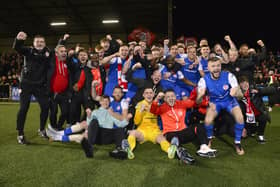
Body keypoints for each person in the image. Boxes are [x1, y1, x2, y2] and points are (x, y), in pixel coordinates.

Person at [150, 89, 217, 163]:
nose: (171, 98)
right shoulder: (162, 108)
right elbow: (153, 110)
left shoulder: (182, 104)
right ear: (165, 99)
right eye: (168, 97)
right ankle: (182, 153)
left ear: (175, 97)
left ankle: (204, 148)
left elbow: (195, 104)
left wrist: (208, 102)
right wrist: (156, 99)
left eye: (172, 96)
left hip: (183, 132)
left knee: (199, 126)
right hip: (170, 133)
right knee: (174, 138)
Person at [196, 57, 245, 155]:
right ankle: (209, 138)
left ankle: (237, 143)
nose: (216, 68)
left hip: (229, 101)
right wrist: (200, 96)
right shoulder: (203, 80)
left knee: (240, 118)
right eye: (213, 66)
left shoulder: (229, 76)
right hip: (215, 103)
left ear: (221, 66)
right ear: (208, 68)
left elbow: (240, 95)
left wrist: (236, 92)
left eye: (218, 65)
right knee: (208, 120)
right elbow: (198, 102)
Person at [13, 31, 50, 144]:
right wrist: (19, 40)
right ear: (33, 43)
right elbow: (17, 47)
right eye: (37, 41)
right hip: (26, 84)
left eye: (41, 41)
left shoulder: (48, 53)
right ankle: (20, 134)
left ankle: (42, 129)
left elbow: (60, 52)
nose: (39, 43)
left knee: (45, 107)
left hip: (39, 85)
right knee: (23, 109)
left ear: (44, 43)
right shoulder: (28, 51)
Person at [122, 87, 177, 160]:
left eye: (151, 93)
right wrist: (140, 111)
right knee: (133, 133)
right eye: (147, 93)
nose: (149, 95)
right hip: (142, 131)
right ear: (143, 95)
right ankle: (128, 150)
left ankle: (169, 150)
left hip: (154, 131)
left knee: (161, 138)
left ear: (154, 94)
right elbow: (136, 122)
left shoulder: (157, 103)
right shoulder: (140, 104)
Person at [238, 76, 277, 143]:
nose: (245, 84)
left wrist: (259, 91)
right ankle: (253, 129)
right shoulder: (238, 95)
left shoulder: (253, 90)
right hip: (247, 117)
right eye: (242, 83)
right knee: (244, 136)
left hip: (258, 115)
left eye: (246, 82)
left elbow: (272, 90)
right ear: (239, 85)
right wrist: (243, 127)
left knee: (263, 117)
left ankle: (260, 135)